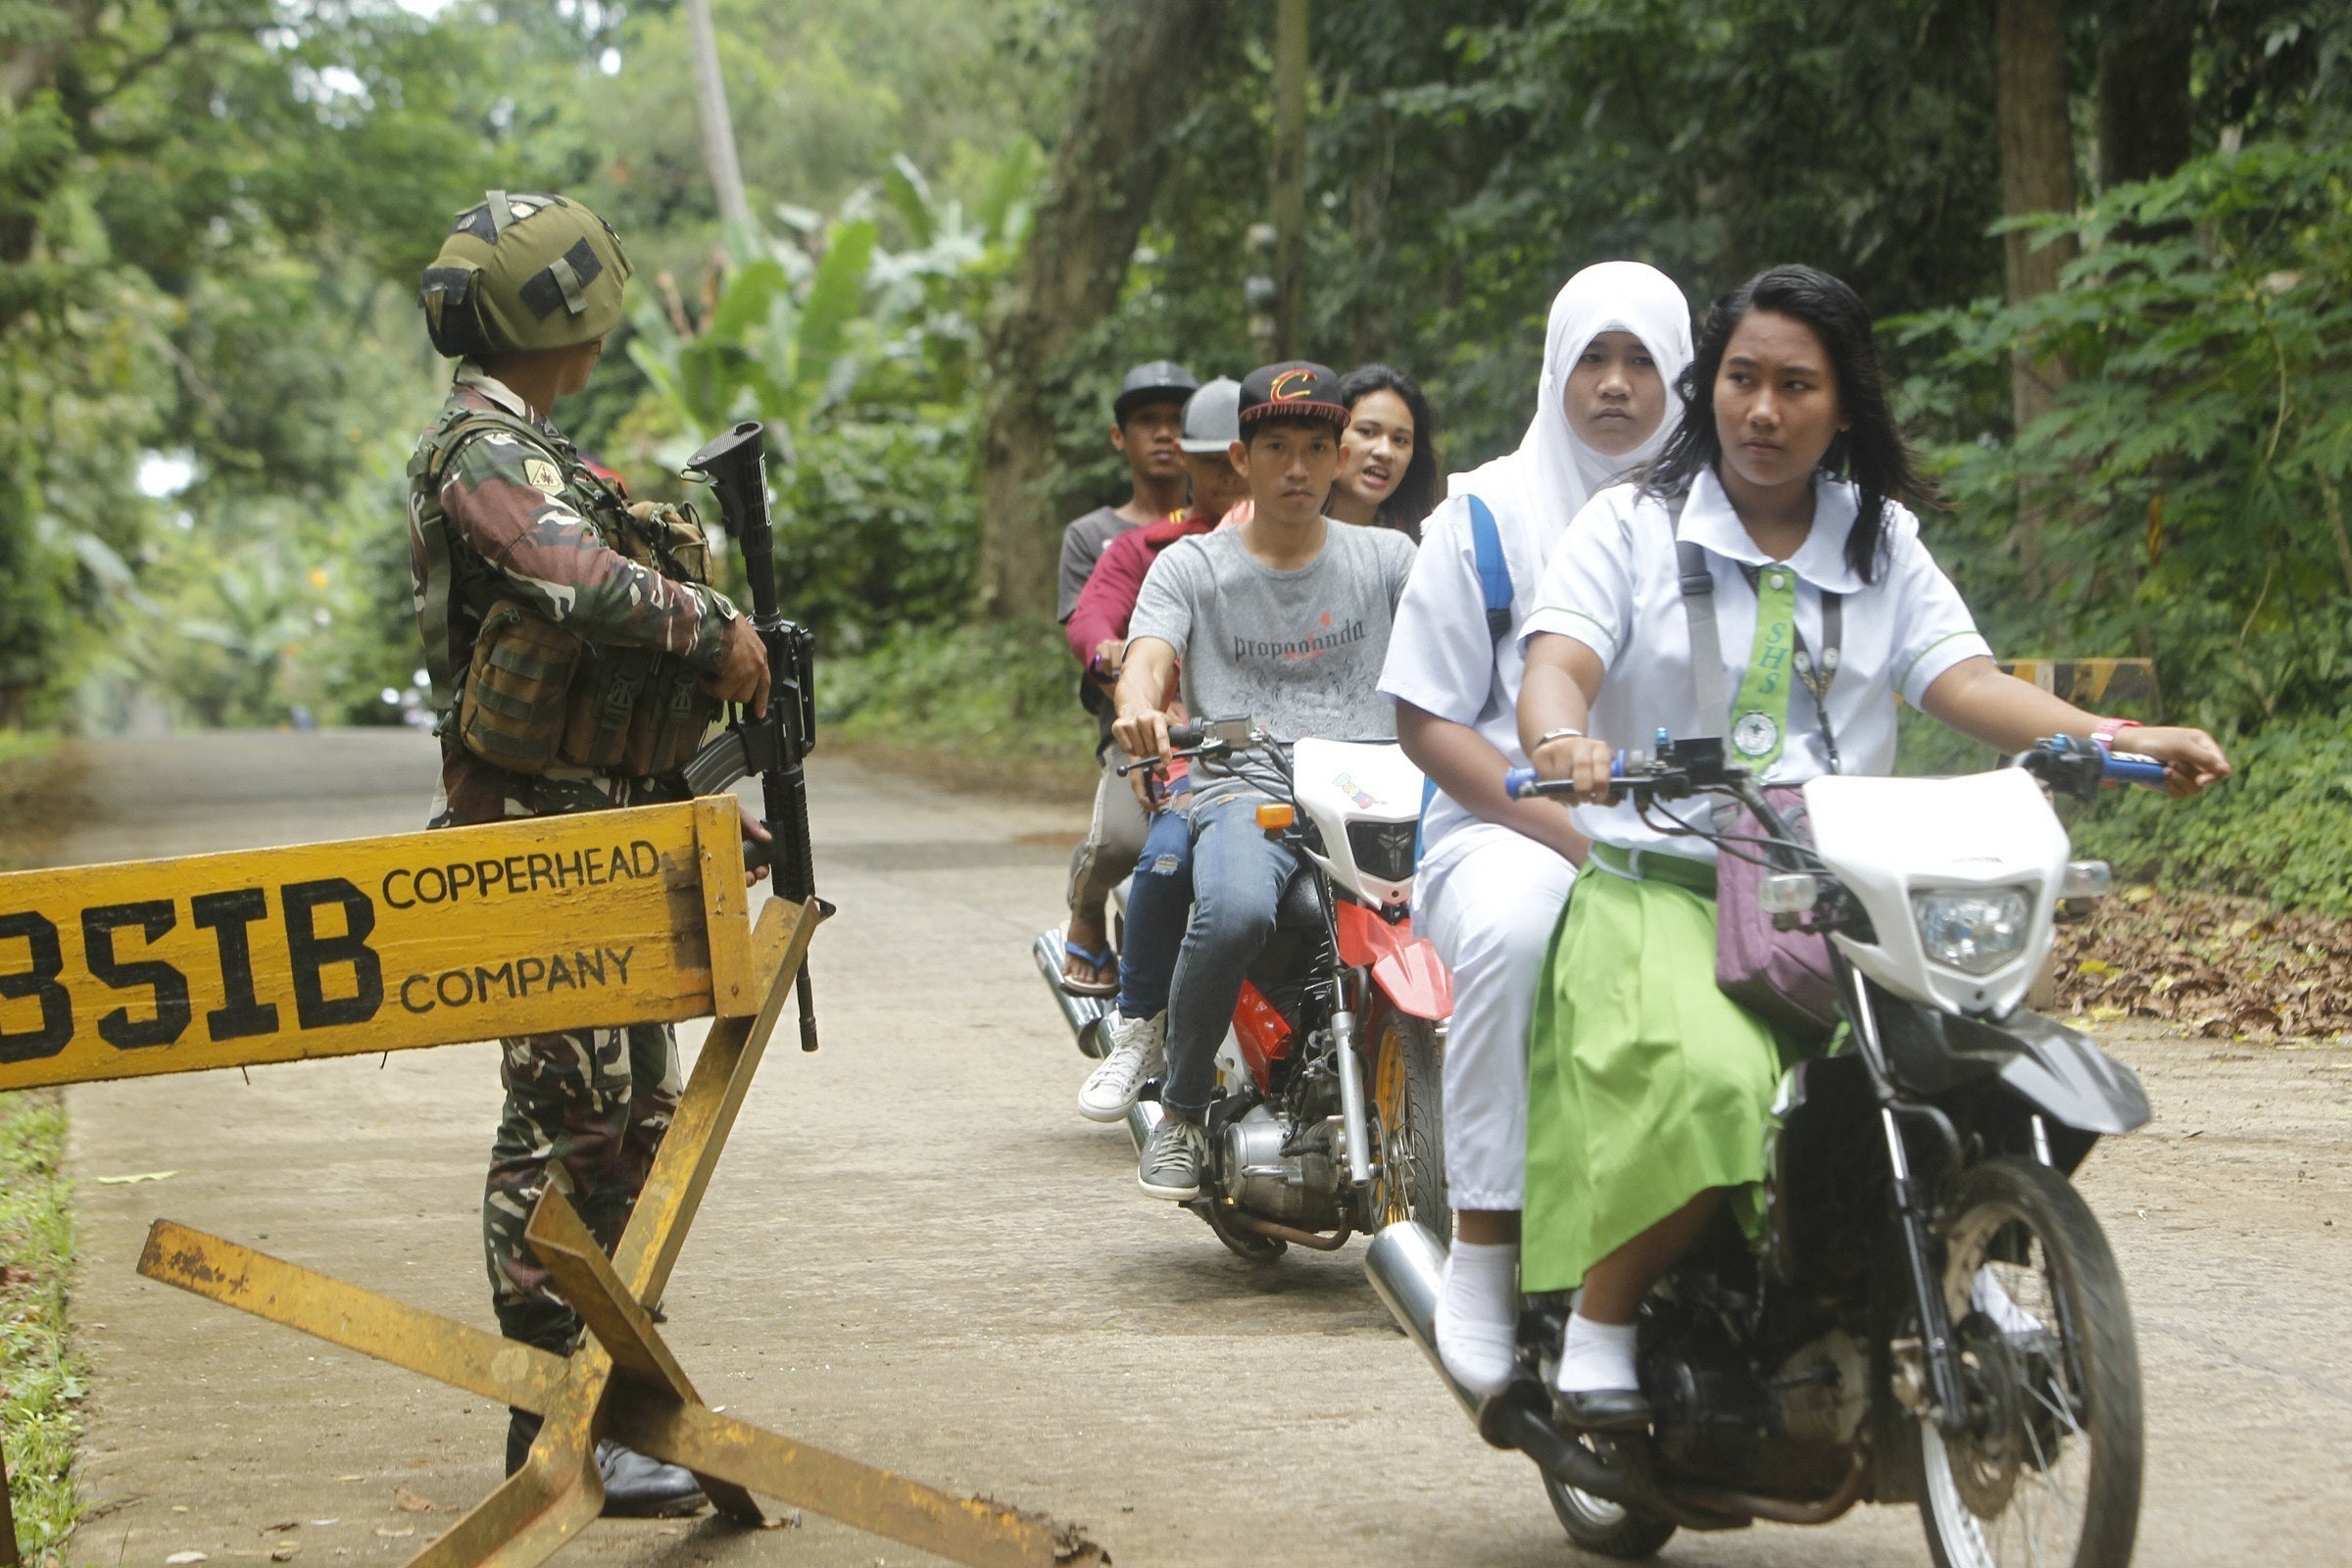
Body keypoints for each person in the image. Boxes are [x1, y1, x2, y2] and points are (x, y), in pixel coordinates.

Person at [1514, 264, 2230, 1430]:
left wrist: (2116, 736)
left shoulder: (1879, 539)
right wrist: (1561, 736)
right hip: (1670, 885)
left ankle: (1914, 1287)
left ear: (1843, 406)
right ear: (1711, 391)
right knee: (1715, 1082)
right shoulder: (1632, 520)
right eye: (1742, 379)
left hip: (1844, 893)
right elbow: (1561, 661)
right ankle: (1605, 1318)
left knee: (1957, 1075)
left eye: (1797, 385)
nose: (1763, 410)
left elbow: (1966, 680)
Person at [409, 190, 771, 1514]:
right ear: (563, 314)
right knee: (562, 1123)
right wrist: (710, 629)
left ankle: (607, 1408)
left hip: (605, 836)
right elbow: (572, 580)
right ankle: (551, 1418)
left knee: (630, 1127)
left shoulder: (534, 443)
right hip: (530, 845)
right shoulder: (482, 453)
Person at [1377, 262, 1694, 1394]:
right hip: (1498, 821)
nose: (1615, 386)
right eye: (1591, 360)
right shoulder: (1485, 514)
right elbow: (1426, 719)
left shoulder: (1723, 516)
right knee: (1520, 933)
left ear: (1684, 376)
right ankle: (1487, 1238)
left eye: (1642, 361)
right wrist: (1564, 828)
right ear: (1556, 371)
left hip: (1686, 820)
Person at [1102, 362, 1419, 1198]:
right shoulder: (1192, 567)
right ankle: (1179, 1110)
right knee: (1236, 906)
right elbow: (1148, 660)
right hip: (1246, 784)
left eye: (1318, 447)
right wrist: (1138, 706)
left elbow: (1454, 655)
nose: (1297, 469)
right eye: (1276, 447)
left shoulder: (1390, 559)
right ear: (1240, 457)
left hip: (1375, 788)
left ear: (1341, 454)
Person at [1065, 377, 1250, 1120]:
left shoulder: (1328, 547)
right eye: (1220, 462)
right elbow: (1103, 628)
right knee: (1140, 850)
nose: (1232, 477)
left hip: (1288, 755)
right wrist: (1132, 693)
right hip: (1181, 747)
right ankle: (1139, 1020)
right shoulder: (1154, 549)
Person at [1055, 360, 1200, 993]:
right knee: (1119, 842)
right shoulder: (1097, 538)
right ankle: (1086, 908)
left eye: (1178, 423)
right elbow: (1093, 639)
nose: (1165, 435)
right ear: (1121, 437)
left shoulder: (1232, 525)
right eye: (1148, 422)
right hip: (1138, 729)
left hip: (1221, 718)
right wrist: (1140, 710)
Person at [1328, 364, 1442, 540]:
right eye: (1367, 432)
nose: (1385, 452)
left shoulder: (1425, 547)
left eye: (1400, 440)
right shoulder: (1283, 532)